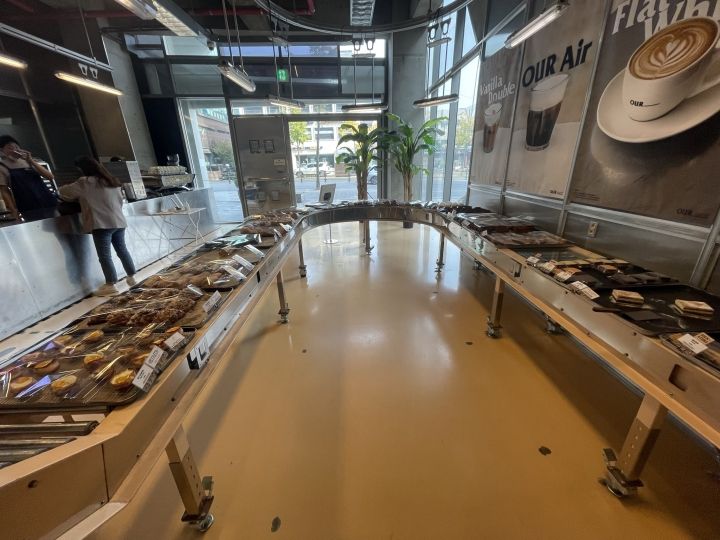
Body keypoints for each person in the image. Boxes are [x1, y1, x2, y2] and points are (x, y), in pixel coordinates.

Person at [59, 157, 136, 296]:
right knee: (122, 250)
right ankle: (132, 277)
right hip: (118, 221)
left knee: (105, 256)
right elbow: (120, 201)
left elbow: (64, 192)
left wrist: (61, 188)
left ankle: (111, 284)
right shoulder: (112, 180)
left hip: (101, 223)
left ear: (83, 169)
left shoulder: (85, 182)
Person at [0, 135, 58, 221]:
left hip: (48, 200)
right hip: (27, 206)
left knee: (56, 224)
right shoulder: (2, 167)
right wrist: (13, 211)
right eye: (10, 148)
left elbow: (50, 177)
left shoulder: (29, 161)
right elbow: (4, 191)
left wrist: (31, 161)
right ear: (1, 150)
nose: (15, 150)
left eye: (17, 147)